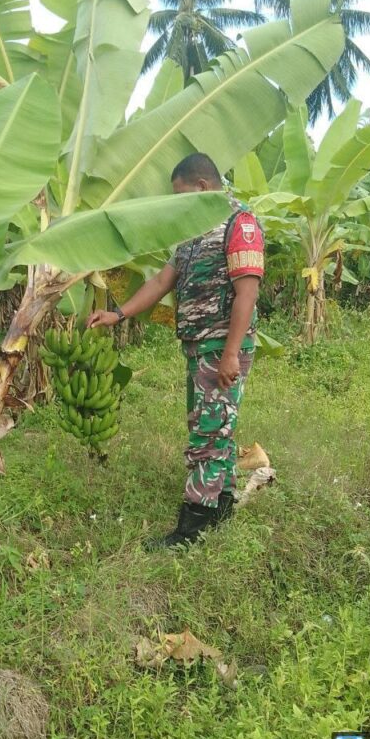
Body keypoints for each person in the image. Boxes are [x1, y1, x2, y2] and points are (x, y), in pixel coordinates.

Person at [87, 152, 265, 548]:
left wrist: (231, 353)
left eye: (181, 194)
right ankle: (221, 507)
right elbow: (161, 281)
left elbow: (247, 293)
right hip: (199, 344)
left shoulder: (239, 222)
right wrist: (118, 314)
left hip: (222, 344)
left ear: (202, 186)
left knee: (208, 432)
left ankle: (192, 527)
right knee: (214, 425)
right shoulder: (192, 229)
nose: (177, 203)